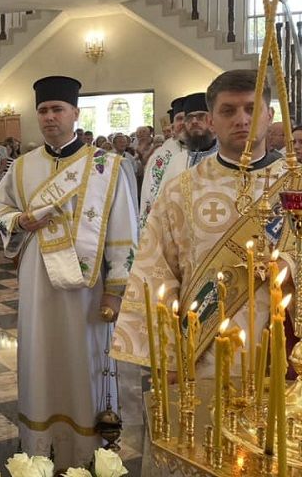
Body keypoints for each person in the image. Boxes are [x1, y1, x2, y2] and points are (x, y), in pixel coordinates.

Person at [0, 76, 138, 470]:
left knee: (84, 360)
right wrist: (19, 220)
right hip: (38, 282)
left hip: (88, 289)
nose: (50, 117)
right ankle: (39, 455)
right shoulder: (22, 167)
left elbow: (124, 233)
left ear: (75, 113)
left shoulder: (108, 167)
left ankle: (88, 457)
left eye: (58, 109)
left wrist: (115, 291)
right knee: (39, 355)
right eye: (43, 110)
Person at [112, 70, 289, 380]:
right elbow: (156, 274)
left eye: (251, 109)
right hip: (202, 359)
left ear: (269, 115)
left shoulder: (295, 184)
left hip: (284, 357)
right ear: (211, 119)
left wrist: (287, 265)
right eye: (228, 110)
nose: (241, 119)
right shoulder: (181, 190)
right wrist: (167, 359)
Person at [138, 92, 218, 230]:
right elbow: (158, 203)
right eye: (189, 118)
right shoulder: (175, 161)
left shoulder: (227, 156)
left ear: (212, 120)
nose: (194, 122)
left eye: (201, 116)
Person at [139, 96, 187, 227]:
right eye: (179, 119)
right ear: (173, 126)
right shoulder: (161, 156)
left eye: (186, 118)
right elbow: (149, 194)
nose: (183, 123)